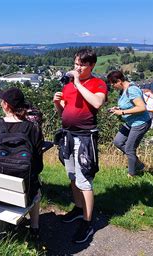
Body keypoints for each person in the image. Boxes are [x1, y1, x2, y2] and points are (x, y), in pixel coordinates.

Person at [52, 49, 108, 243]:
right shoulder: (68, 86)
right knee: (72, 176)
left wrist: (77, 83)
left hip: (85, 137)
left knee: (84, 180)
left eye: (82, 65)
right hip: (68, 136)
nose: (77, 67)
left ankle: (87, 222)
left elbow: (97, 103)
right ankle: (78, 208)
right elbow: (64, 113)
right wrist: (57, 104)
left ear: (91, 66)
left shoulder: (97, 83)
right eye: (76, 63)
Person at [0, 87, 44, 239]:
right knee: (37, 186)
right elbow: (38, 166)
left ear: (6, 105)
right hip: (24, 196)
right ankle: (34, 228)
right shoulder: (33, 129)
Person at [107, 70, 151, 177]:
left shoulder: (132, 90)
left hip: (140, 123)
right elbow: (129, 104)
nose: (112, 86)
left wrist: (122, 112)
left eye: (113, 83)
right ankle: (138, 164)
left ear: (119, 81)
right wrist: (118, 108)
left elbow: (141, 107)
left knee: (129, 149)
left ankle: (132, 175)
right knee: (118, 141)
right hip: (131, 122)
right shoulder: (123, 90)